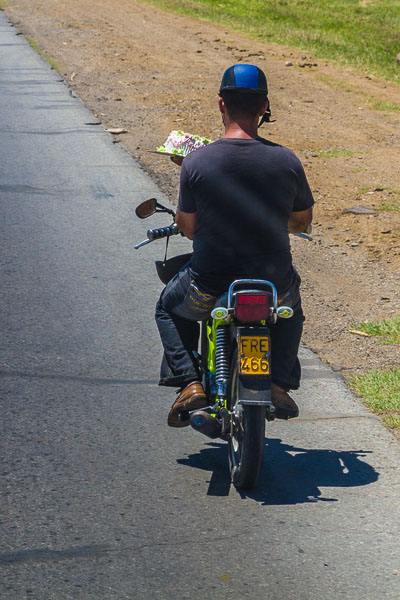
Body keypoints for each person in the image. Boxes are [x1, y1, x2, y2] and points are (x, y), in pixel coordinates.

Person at [155, 64, 314, 427]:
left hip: (210, 283)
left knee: (167, 307)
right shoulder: (287, 161)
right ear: (265, 107)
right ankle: (278, 383)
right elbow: (302, 221)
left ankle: (190, 384)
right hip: (273, 283)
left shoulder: (196, 162)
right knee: (294, 305)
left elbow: (189, 227)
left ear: (221, 104)